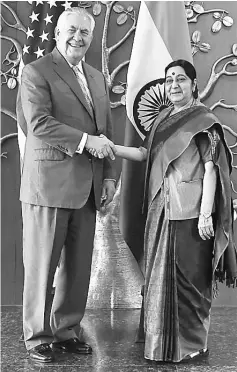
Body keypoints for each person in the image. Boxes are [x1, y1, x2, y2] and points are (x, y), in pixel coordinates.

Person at [113, 60, 237, 363]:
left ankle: (192, 344)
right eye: (169, 80)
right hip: (161, 210)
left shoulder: (204, 121)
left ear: (193, 84)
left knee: (190, 279)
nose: (174, 85)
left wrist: (206, 213)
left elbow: (212, 170)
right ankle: (161, 346)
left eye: (181, 79)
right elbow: (144, 154)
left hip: (191, 213)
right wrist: (111, 147)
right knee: (158, 278)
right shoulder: (162, 120)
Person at [17, 7, 116, 363]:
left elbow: (107, 130)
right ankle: (37, 336)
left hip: (88, 187)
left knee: (77, 267)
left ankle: (65, 331)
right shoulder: (36, 71)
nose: (78, 37)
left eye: (85, 33)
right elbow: (40, 124)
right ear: (57, 32)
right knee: (43, 265)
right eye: (72, 30)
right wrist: (87, 141)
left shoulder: (97, 77)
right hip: (48, 185)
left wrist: (108, 176)